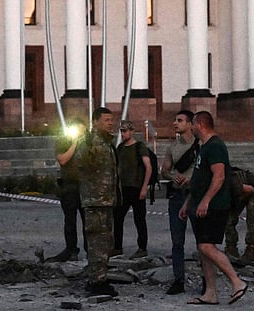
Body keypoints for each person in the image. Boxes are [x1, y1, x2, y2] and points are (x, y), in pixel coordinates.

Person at [180, 111, 249, 305]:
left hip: (215, 205)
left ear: (200, 124)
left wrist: (206, 201)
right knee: (203, 249)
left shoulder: (216, 146)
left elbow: (218, 176)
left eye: (193, 124)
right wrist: (189, 202)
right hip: (202, 204)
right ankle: (210, 292)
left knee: (206, 246)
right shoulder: (204, 147)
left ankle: (236, 281)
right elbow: (200, 179)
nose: (191, 128)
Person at [77, 107, 120, 296]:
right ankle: (97, 282)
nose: (110, 123)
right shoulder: (89, 142)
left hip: (106, 200)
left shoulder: (106, 143)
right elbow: (82, 165)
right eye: (106, 120)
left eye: (112, 120)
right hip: (95, 202)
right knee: (97, 242)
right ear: (95, 122)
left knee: (105, 241)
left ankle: (100, 276)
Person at [160, 110, 197, 294]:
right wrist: (173, 176)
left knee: (203, 241)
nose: (175, 123)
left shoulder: (200, 146)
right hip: (177, 196)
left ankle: (207, 279)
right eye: (175, 120)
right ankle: (178, 279)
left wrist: (190, 178)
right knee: (177, 241)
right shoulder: (172, 147)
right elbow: (164, 169)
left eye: (180, 120)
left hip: (195, 195)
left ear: (190, 124)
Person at [45, 120, 86, 262]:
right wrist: (74, 143)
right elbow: (63, 160)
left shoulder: (88, 144)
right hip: (69, 187)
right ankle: (71, 249)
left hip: (85, 187)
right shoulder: (63, 142)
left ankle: (90, 249)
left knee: (88, 221)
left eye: (83, 131)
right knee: (70, 221)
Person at [112, 120, 151, 258]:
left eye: (125, 131)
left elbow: (148, 167)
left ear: (132, 131)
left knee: (139, 219)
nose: (123, 133)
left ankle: (142, 248)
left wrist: (144, 188)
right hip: (123, 189)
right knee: (117, 219)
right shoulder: (121, 148)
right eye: (121, 131)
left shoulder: (139, 147)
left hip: (137, 188)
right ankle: (117, 247)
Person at [223, 167, 254, 266]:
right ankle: (231, 247)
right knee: (229, 220)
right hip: (238, 192)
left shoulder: (232, 181)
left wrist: (238, 204)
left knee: (252, 218)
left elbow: (250, 190)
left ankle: (251, 248)